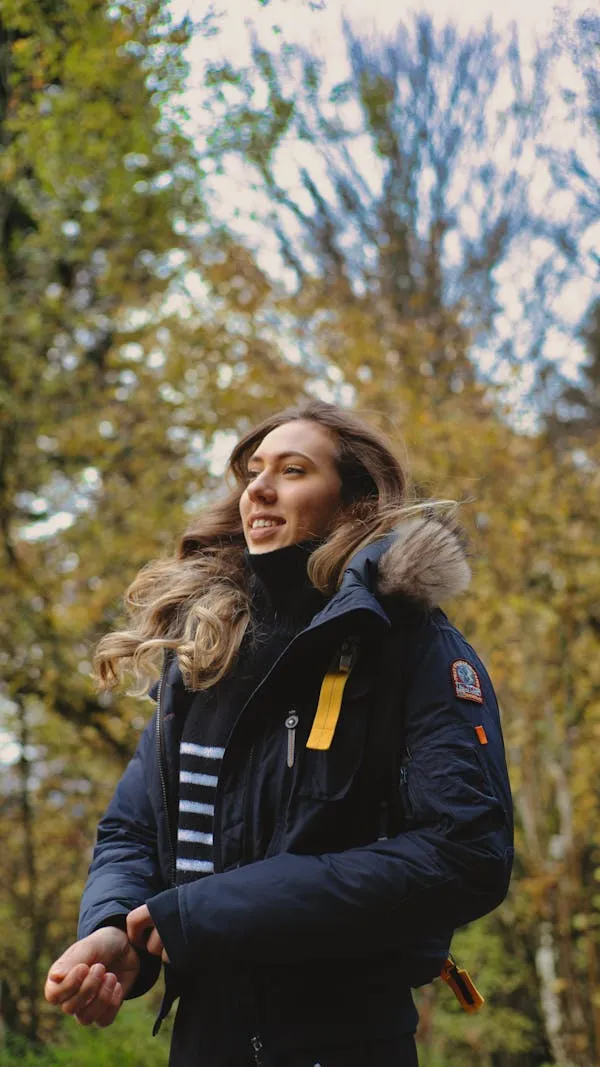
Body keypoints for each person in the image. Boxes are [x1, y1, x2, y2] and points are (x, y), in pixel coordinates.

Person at [44, 401, 513, 1066]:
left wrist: (214, 913)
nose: (258, 488)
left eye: (293, 470)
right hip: (203, 1044)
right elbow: (135, 827)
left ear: (354, 504)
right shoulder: (209, 649)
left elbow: (468, 852)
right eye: (253, 470)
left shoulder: (409, 646)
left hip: (346, 1045)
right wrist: (116, 928)